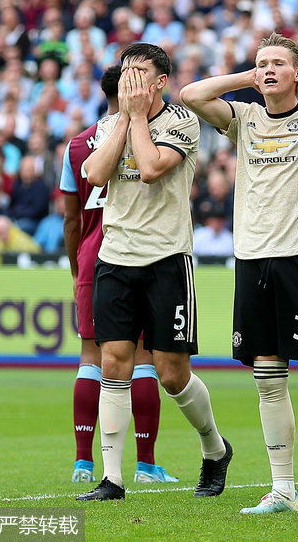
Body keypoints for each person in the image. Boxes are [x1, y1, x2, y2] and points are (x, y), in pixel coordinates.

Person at [180, 32, 298, 517]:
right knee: (268, 380)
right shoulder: (244, 118)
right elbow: (191, 95)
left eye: (278, 63)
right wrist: (248, 76)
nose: (267, 69)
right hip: (252, 259)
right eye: (261, 62)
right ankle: (283, 490)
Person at [76, 44, 232, 502]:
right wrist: (125, 118)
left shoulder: (182, 121)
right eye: (125, 70)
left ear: (160, 81)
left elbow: (149, 168)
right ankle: (112, 478)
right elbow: (95, 175)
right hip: (116, 257)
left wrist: (137, 119)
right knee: (112, 362)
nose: (130, 79)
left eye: (139, 71)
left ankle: (214, 447)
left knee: (171, 374)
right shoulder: (109, 123)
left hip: (166, 259)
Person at [61, 65, 178, 486]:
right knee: (143, 357)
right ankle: (145, 464)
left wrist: (77, 265)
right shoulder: (150, 132)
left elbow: (71, 219)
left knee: (91, 357)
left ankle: (83, 462)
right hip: (136, 251)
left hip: (92, 253)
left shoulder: (77, 144)